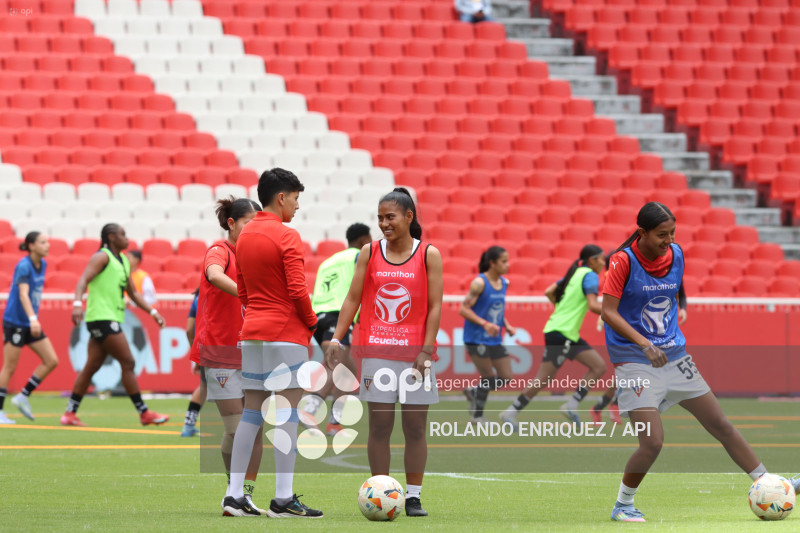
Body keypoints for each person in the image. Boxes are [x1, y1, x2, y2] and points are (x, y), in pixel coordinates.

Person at [601, 202, 800, 522]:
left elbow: (675, 286)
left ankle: (769, 483)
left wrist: (680, 305)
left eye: (672, 233)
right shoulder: (622, 261)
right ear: (642, 233)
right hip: (634, 360)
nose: (668, 240)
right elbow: (607, 312)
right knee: (652, 442)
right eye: (661, 235)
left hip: (675, 357)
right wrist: (644, 342)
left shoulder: (677, 254)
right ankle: (623, 505)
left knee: (719, 423)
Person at [326, 187, 444, 518]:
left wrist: (425, 350)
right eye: (379, 218)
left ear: (409, 217)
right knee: (379, 427)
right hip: (377, 354)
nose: (383, 224)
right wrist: (336, 339)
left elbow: (435, 307)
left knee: (415, 428)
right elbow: (351, 299)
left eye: (390, 217)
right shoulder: (369, 251)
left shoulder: (428, 255)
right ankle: (380, 489)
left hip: (415, 357)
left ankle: (414, 496)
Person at [222, 168, 323, 518]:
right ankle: (282, 499)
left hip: (252, 332)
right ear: (281, 197)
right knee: (288, 416)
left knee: (251, 414)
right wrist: (315, 326)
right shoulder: (287, 235)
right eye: (295, 199)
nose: (297, 206)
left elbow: (244, 291)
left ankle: (234, 496)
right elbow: (297, 290)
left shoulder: (244, 236)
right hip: (286, 335)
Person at [189, 197, 266, 514]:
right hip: (221, 353)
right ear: (232, 224)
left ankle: (242, 494)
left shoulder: (256, 256)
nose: (253, 232)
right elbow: (213, 274)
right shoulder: (220, 250)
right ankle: (232, 493)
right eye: (247, 224)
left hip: (252, 350)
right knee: (237, 428)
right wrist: (245, 291)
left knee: (256, 428)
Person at [61, 223, 168, 427]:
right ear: (111, 237)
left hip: (110, 317)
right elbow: (83, 280)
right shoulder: (102, 257)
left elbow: (134, 293)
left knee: (91, 366)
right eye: (123, 235)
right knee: (127, 361)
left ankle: (69, 413)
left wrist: (153, 312)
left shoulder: (124, 262)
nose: (127, 238)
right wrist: (77, 304)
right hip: (101, 317)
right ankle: (144, 413)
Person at [500, 244, 607, 430]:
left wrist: (562, 309)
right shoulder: (589, 275)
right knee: (544, 378)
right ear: (592, 260)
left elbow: (549, 291)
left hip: (565, 333)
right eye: (601, 258)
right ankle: (511, 412)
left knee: (598, 366)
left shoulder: (575, 273)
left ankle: (571, 405)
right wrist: (617, 312)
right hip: (562, 333)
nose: (604, 262)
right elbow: (592, 305)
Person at [592, 255, 689, 425]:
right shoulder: (616, 273)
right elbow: (614, 303)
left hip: (640, 329)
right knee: (632, 369)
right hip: (627, 330)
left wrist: (682, 307)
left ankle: (605, 406)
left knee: (628, 372)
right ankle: (613, 406)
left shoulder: (664, 268)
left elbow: (680, 287)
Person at [303, 222, 372, 436]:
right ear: (363, 241)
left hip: (317, 316)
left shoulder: (328, 261)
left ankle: (334, 422)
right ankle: (309, 409)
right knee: (337, 365)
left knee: (348, 370)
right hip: (337, 315)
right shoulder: (358, 256)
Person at [0, 232, 59, 424]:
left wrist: (32, 320)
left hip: (30, 323)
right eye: (43, 242)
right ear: (31, 246)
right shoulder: (24, 265)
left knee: (51, 360)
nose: (48, 245)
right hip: (16, 322)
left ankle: (23, 396)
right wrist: (34, 318)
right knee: (9, 367)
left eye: (47, 242)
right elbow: (24, 295)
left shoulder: (44, 264)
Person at [460, 246, 516, 424]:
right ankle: (477, 417)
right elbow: (463, 309)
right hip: (476, 338)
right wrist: (485, 324)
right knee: (488, 378)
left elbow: (496, 310)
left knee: (506, 376)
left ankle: (474, 392)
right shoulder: (479, 283)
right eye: (503, 261)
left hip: (494, 338)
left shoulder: (504, 283)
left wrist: (506, 325)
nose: (508, 265)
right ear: (492, 263)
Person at [180, 289, 205, 437]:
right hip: (224, 346)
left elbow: (189, 330)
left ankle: (188, 425)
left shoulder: (198, 297)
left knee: (205, 386)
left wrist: (197, 354)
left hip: (205, 347)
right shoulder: (224, 292)